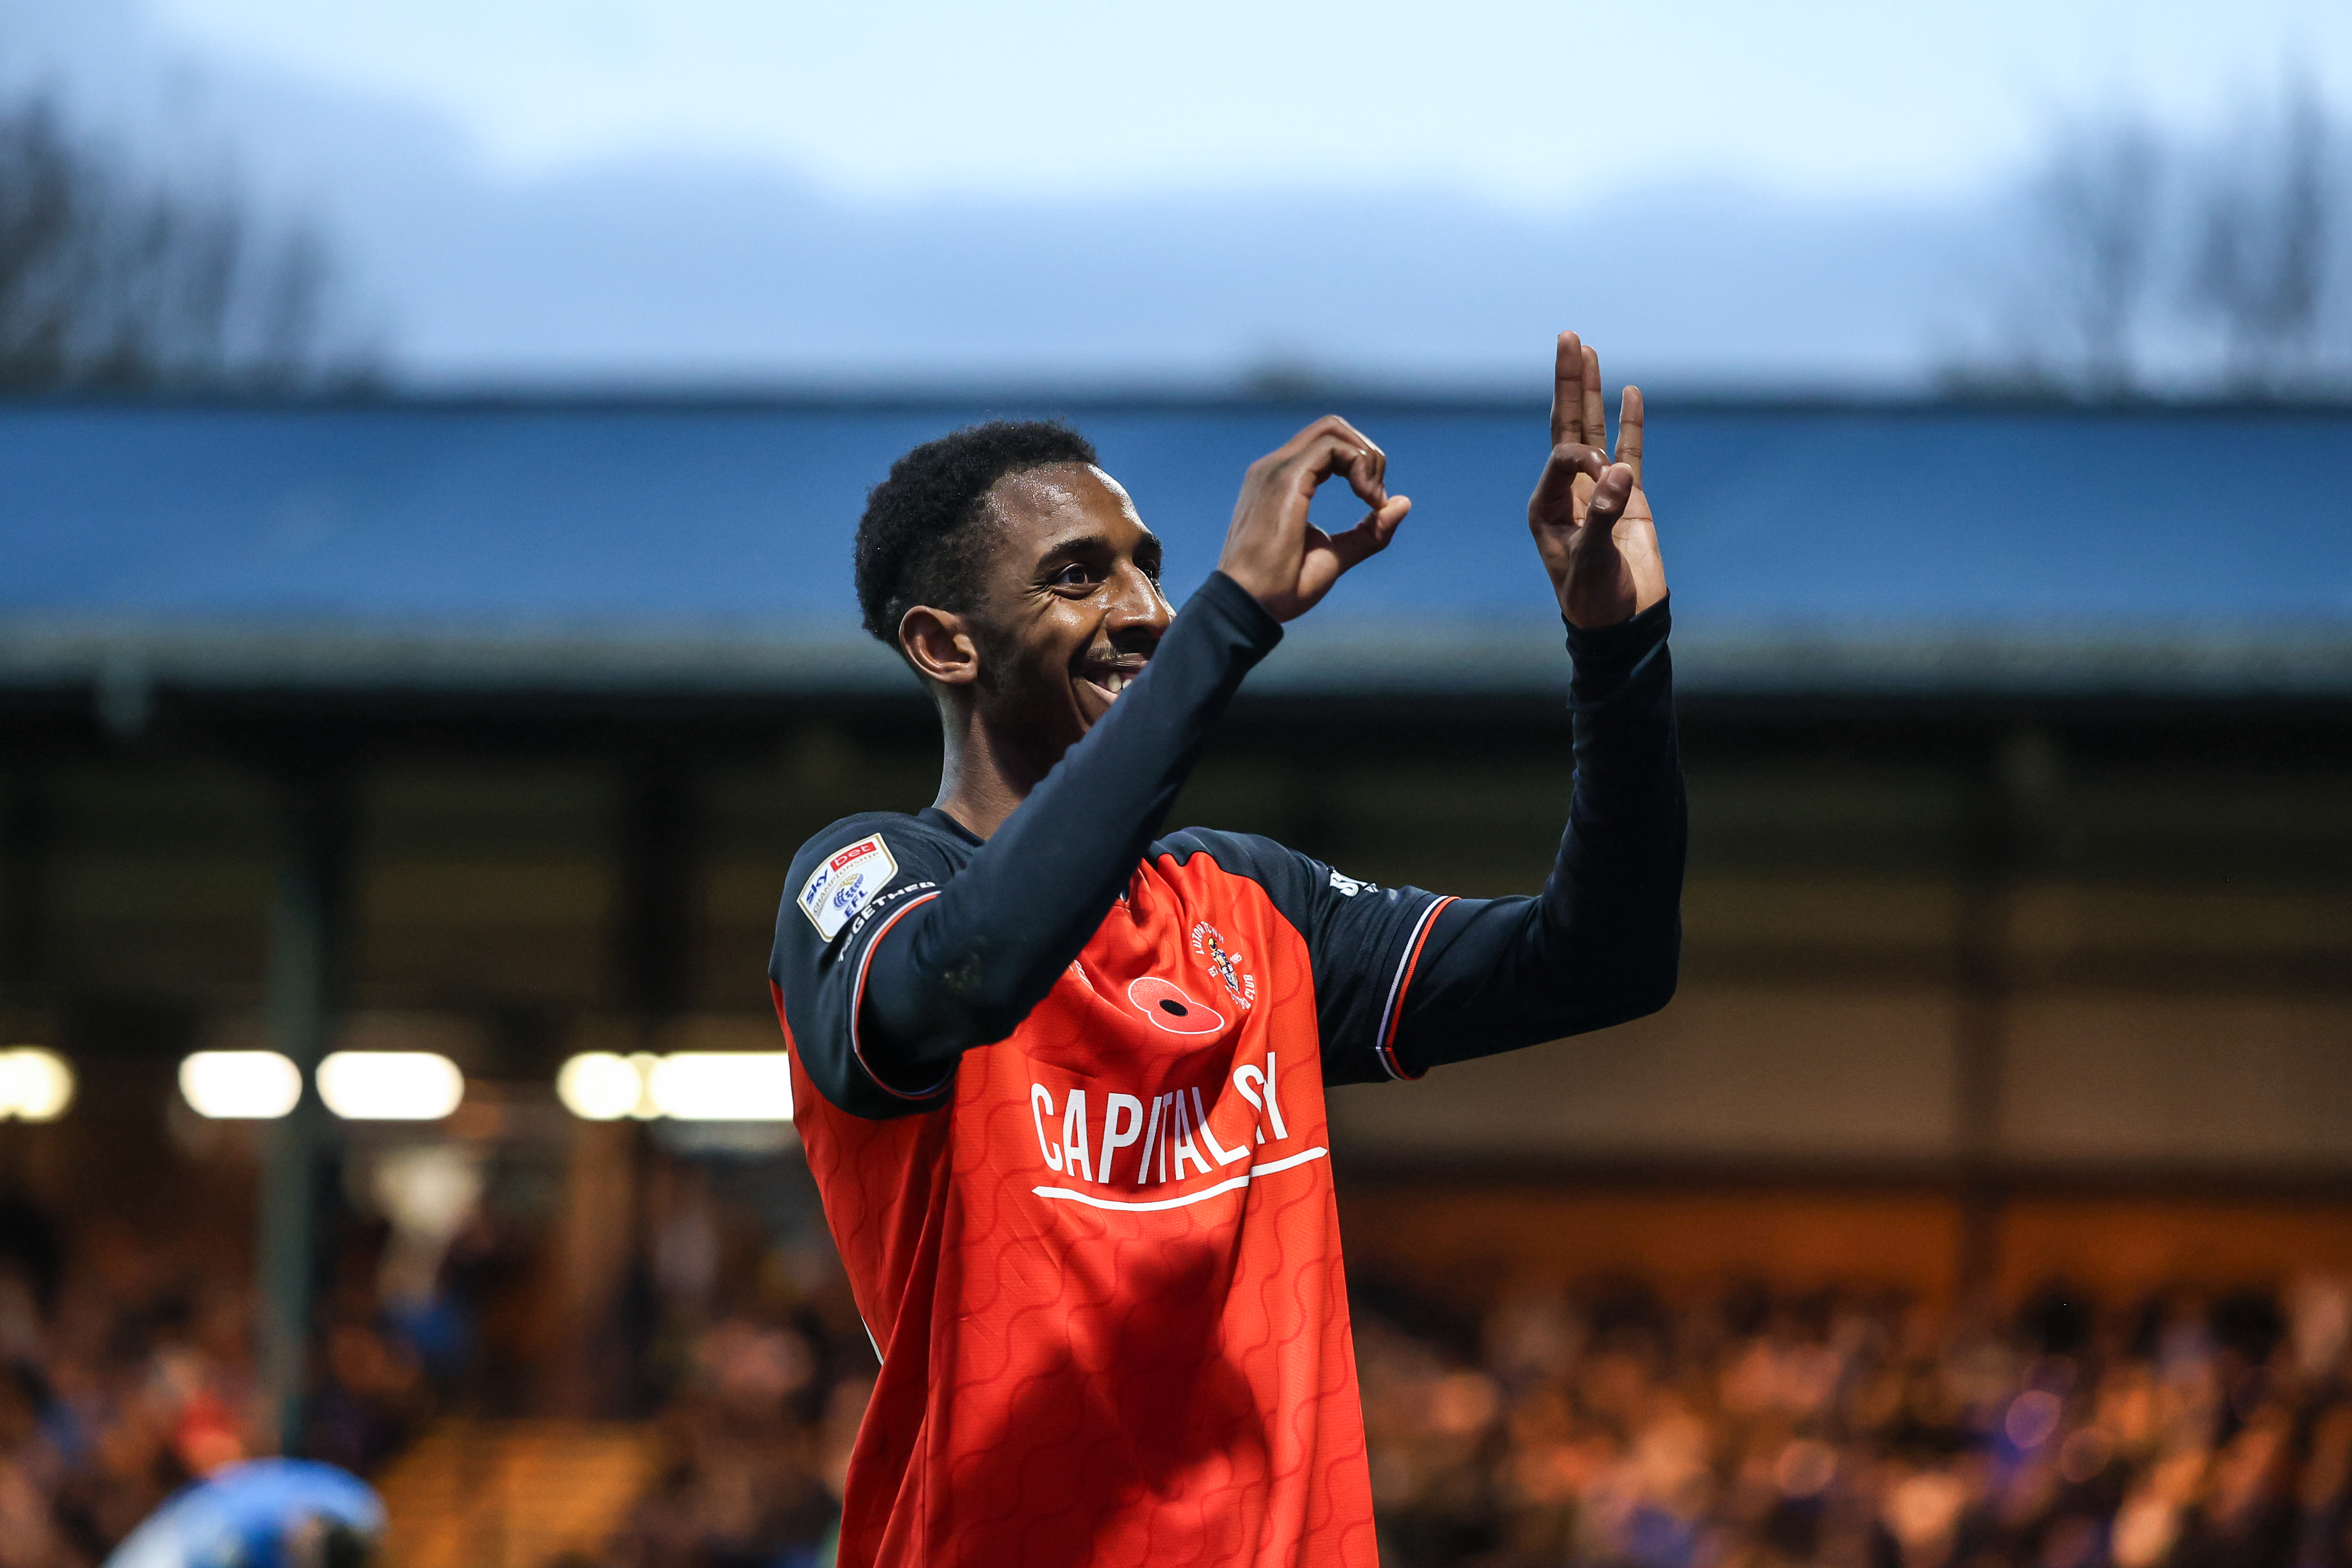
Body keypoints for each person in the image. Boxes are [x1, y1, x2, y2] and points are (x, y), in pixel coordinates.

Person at [767, 332, 1685, 1567]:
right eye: (1077, 578)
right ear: (946, 646)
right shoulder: (865, 881)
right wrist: (1234, 615)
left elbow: (1602, 962)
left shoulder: (1249, 904)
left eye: (1153, 570)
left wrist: (1618, 654)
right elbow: (975, 973)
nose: (1145, 609)